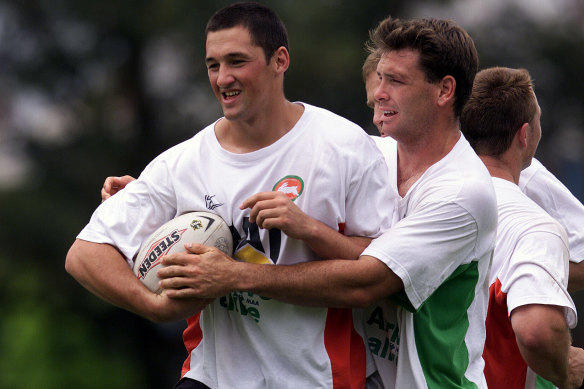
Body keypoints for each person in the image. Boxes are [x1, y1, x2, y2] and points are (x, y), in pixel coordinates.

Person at [66, 2, 394, 389]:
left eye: (237, 61)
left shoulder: (344, 147)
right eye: (212, 65)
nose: (223, 78)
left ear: (280, 60)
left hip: (322, 378)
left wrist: (238, 275)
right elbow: (84, 254)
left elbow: (378, 274)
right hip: (212, 378)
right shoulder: (183, 163)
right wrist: (154, 305)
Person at [160, 16, 498, 388]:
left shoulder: (464, 192)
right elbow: (260, 163)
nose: (378, 93)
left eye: (397, 81)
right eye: (379, 77)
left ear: (444, 91)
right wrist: (167, 192)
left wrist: (234, 275)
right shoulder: (373, 153)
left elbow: (366, 282)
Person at [460, 66, 584, 388]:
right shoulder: (538, 229)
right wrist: (565, 369)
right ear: (525, 134)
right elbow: (537, 332)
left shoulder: (417, 190)